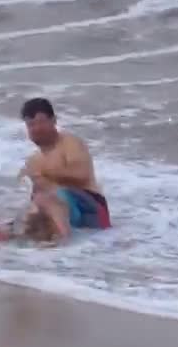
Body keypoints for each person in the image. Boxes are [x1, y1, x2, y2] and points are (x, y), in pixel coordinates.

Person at [8, 97, 111, 244]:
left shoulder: (69, 143)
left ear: (54, 121)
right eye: (31, 125)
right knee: (0, 229)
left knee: (44, 199)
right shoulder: (33, 160)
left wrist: (45, 172)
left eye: (41, 122)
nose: (37, 128)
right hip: (63, 215)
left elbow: (81, 175)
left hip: (91, 210)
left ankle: (64, 243)